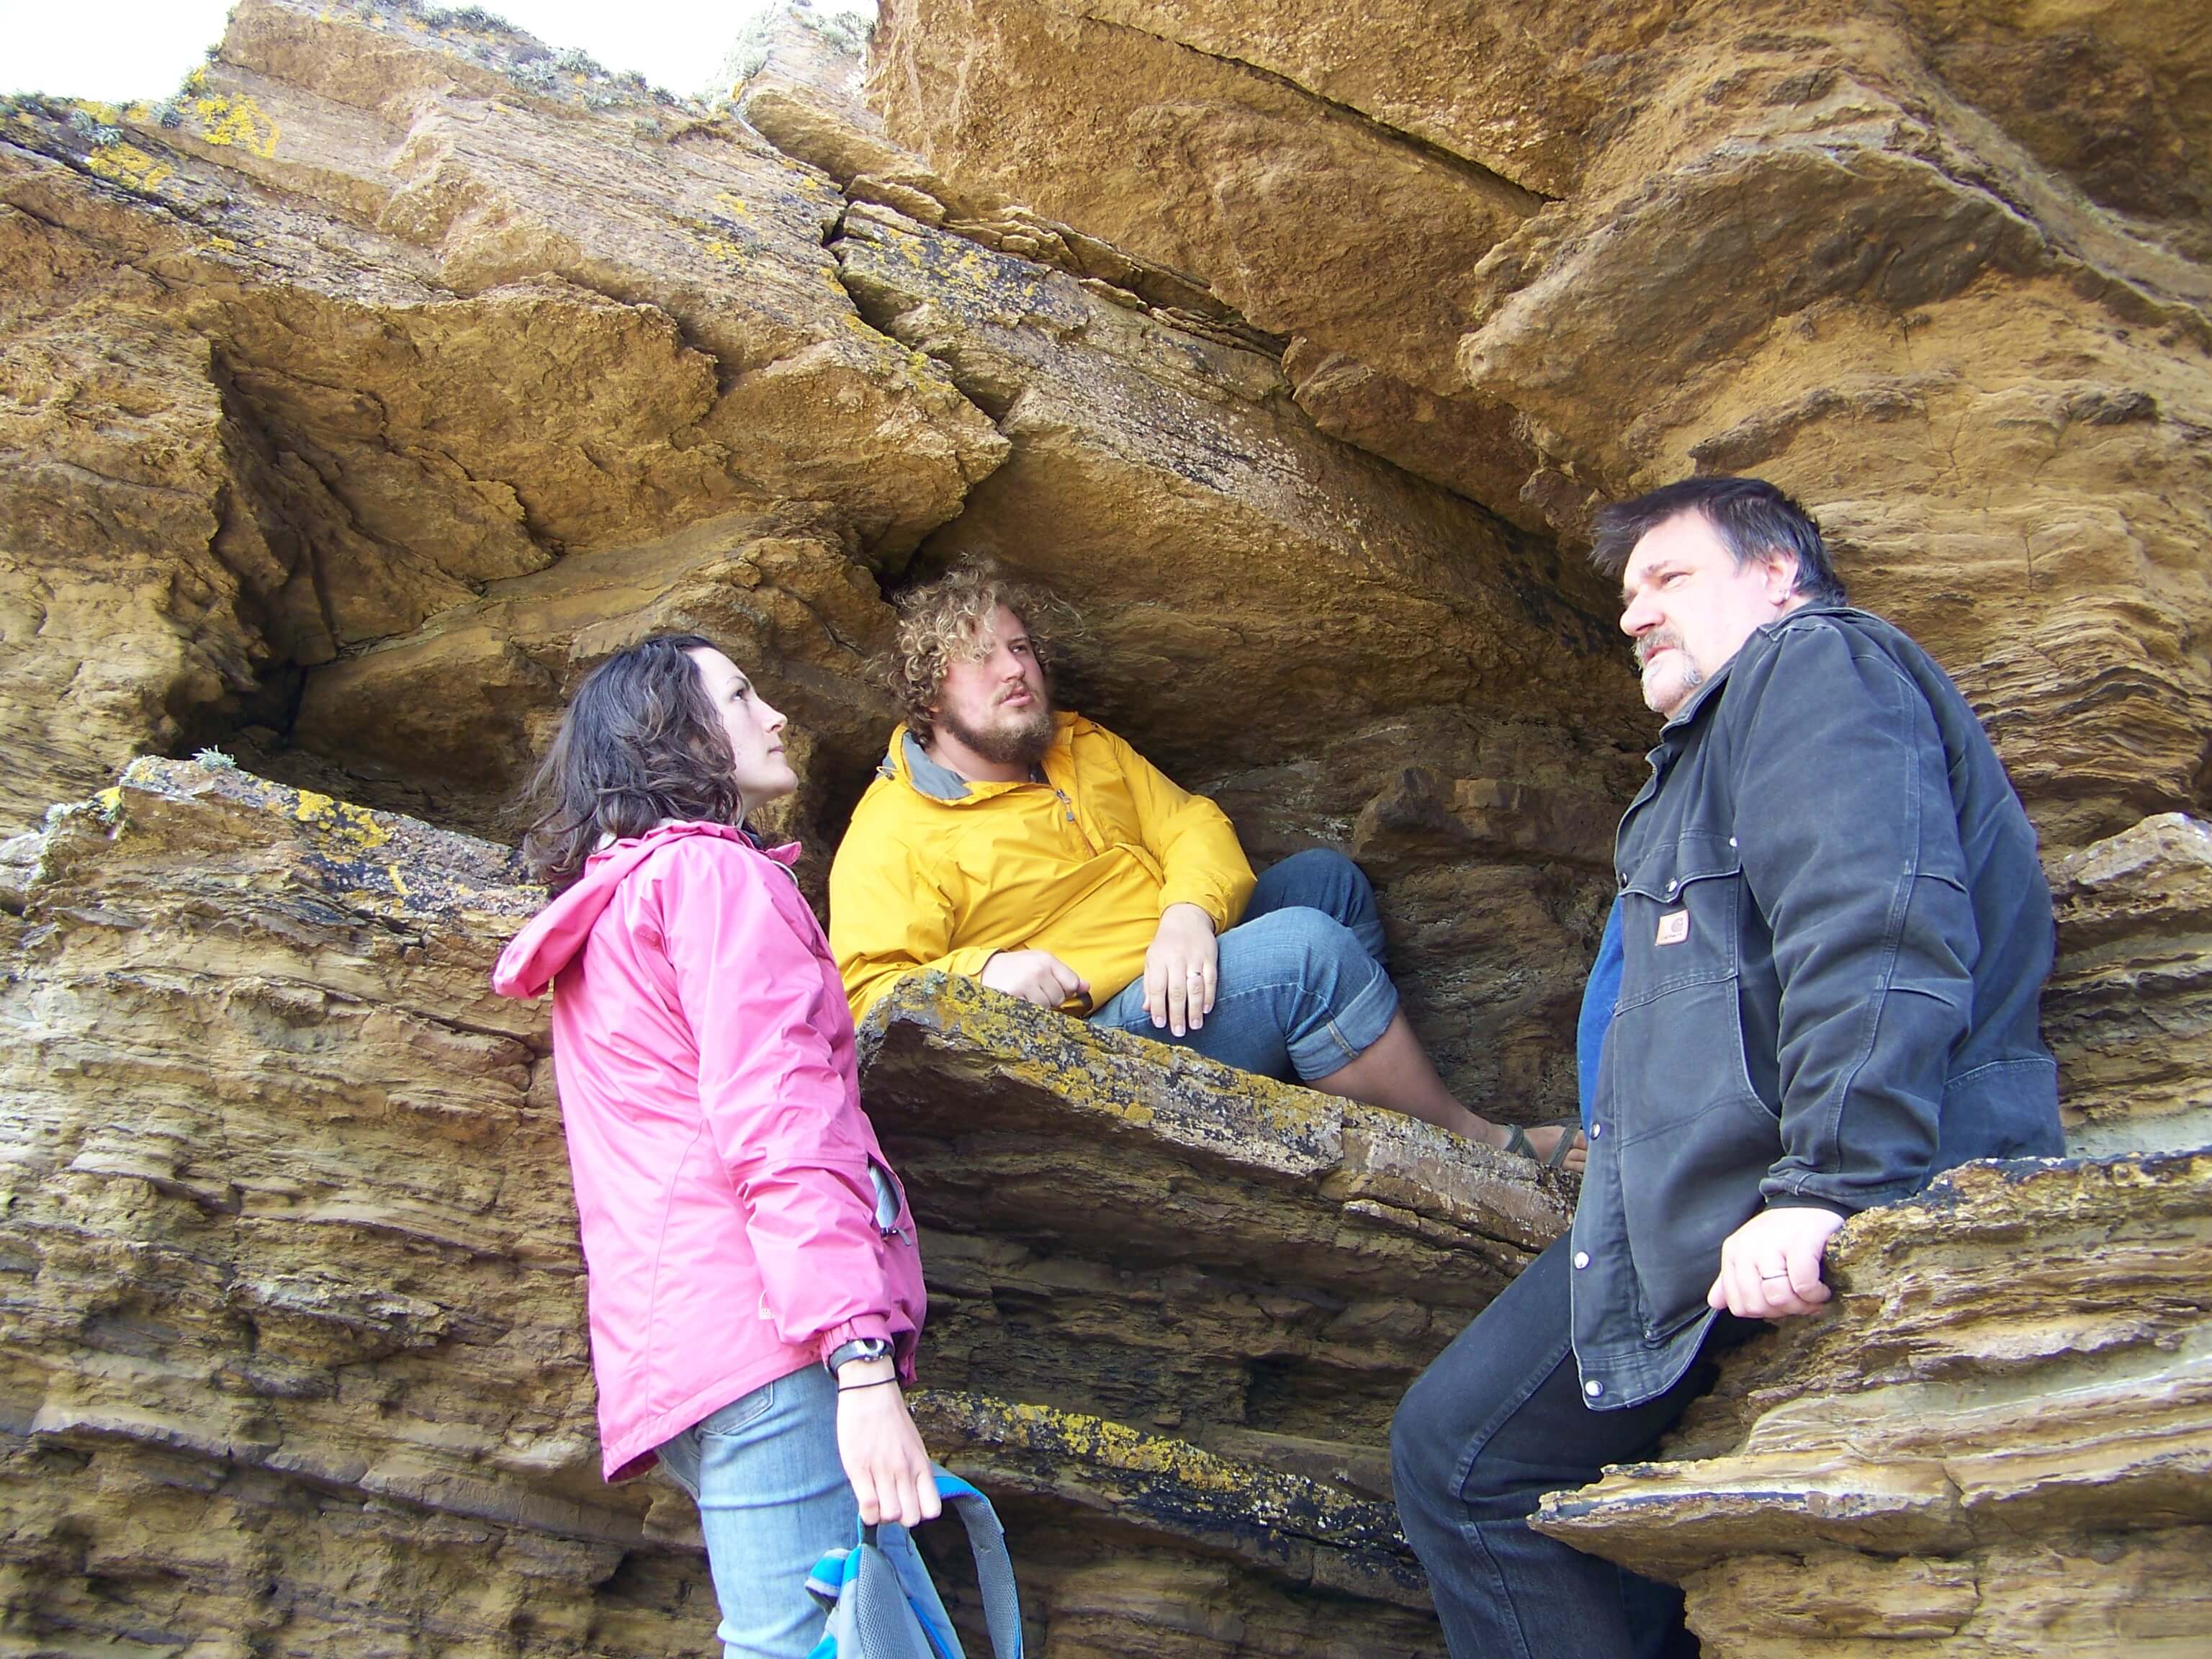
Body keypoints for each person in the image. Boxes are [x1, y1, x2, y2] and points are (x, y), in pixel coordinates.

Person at [1390, 476, 2065, 1658]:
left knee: (1464, 1453)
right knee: (1462, 1446)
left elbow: (1873, 925)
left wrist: (1827, 1184)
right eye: (1625, 592)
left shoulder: (1811, 666)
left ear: (1773, 575)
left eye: (1669, 577)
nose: (1632, 611)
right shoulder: (1705, 751)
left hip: (1801, 1184)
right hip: (1700, 1204)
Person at [491, 635, 939, 1659]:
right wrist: (860, 1364)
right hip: (773, 1346)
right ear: (677, 732)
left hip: (688, 1356)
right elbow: (782, 1127)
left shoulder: (614, 906)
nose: (775, 715)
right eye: (741, 696)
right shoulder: (715, 882)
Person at [828, 561, 1583, 1169]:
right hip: (1102, 1038)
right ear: (928, 692)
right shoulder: (893, 831)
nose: (1012, 669)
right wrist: (988, 974)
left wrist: (1187, 915)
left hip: (1180, 964)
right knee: (1305, 951)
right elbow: (862, 998)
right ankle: (1476, 1145)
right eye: (978, 656)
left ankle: (1343, 1104)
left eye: (1020, 647)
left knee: (1327, 881)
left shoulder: (1078, 744)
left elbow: (1190, 823)